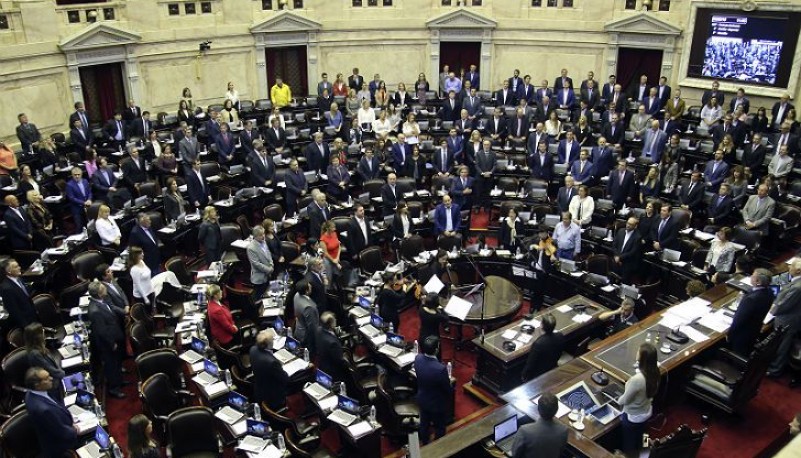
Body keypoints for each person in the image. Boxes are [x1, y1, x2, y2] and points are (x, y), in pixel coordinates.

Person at [24, 367, 78, 457]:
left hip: (59, 428)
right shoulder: (44, 410)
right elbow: (63, 433)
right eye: (46, 378)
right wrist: (75, 429)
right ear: (37, 385)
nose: (51, 378)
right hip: (61, 448)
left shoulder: (31, 393)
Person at [87, 280, 127, 398]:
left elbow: (111, 310)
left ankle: (119, 381)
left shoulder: (102, 301)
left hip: (114, 335)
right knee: (111, 365)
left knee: (117, 361)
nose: (105, 289)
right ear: (99, 293)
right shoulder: (95, 311)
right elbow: (102, 331)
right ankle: (114, 388)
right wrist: (111, 343)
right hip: (108, 343)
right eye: (103, 288)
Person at [618, 343, 659, 455]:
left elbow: (624, 400)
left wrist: (617, 399)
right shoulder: (655, 372)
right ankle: (645, 455)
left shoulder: (637, 380)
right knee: (643, 437)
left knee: (629, 444)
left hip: (632, 417)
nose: (636, 353)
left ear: (642, 358)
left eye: (638, 352)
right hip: (646, 412)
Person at [414, 336, 453, 445]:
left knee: (424, 424)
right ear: (437, 349)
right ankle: (438, 447)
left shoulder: (418, 359)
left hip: (422, 399)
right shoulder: (440, 369)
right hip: (436, 404)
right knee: (440, 427)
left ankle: (425, 443)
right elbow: (447, 388)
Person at [728, 269, 774, 357]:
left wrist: (730, 334)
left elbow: (739, 320)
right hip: (754, 330)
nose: (750, 277)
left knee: (739, 355)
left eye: (752, 276)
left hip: (741, 336)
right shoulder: (769, 292)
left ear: (758, 281)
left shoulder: (751, 299)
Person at [768, 259, 801, 377]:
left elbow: (783, 305)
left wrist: (771, 309)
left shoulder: (798, 287)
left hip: (788, 320)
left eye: (791, 266)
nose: (788, 268)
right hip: (791, 316)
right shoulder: (796, 281)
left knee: (782, 345)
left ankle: (774, 370)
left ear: (798, 271)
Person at [511, 391, 568, 458]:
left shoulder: (524, 431)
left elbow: (515, 454)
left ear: (538, 409)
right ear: (557, 410)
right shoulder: (563, 430)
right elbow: (560, 452)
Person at [25, 322, 65, 401]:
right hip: (51, 385)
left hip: (55, 379)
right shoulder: (35, 354)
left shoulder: (39, 348)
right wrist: (63, 373)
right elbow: (49, 369)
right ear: (37, 337)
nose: (44, 332)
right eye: (42, 331)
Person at [250, 329, 289, 411]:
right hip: (273, 396)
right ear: (269, 344)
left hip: (259, 389)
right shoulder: (272, 362)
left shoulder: (253, 349)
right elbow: (285, 379)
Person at [522, 314, 564, 381]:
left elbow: (530, 364)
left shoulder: (538, 344)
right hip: (553, 366)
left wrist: (524, 376)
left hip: (538, 374)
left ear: (541, 326)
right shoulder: (560, 335)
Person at [0, 258, 36, 329]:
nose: (19, 268)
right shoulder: (6, 288)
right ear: (9, 271)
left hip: (32, 315)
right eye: (16, 267)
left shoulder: (18, 278)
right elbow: (14, 311)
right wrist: (25, 326)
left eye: (18, 265)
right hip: (26, 323)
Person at [316, 312, 347, 382]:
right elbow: (339, 361)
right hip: (333, 373)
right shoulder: (333, 343)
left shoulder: (318, 330)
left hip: (322, 365)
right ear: (331, 324)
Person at [293, 279, 319, 355]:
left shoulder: (297, 295)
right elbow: (312, 328)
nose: (311, 286)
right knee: (308, 355)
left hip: (298, 328)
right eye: (309, 286)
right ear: (307, 291)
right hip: (305, 336)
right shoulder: (308, 307)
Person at [612, 217, 642, 284]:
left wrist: (620, 258)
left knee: (623, 284)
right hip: (616, 261)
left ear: (635, 226)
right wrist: (616, 256)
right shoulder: (620, 231)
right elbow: (614, 245)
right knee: (613, 281)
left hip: (627, 264)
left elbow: (632, 252)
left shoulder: (637, 237)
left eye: (631, 224)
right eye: (628, 223)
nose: (628, 225)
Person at [247, 226, 274, 300]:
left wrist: (271, 264)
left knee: (267, 294)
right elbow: (256, 264)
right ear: (255, 236)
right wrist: (269, 269)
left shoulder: (264, 242)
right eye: (260, 235)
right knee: (258, 297)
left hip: (268, 274)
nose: (263, 236)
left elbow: (268, 253)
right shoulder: (251, 248)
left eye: (263, 234)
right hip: (259, 277)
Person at [66, 167, 92, 232]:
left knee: (89, 224)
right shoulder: (69, 185)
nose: (77, 176)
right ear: (72, 175)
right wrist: (83, 202)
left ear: (81, 174)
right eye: (75, 175)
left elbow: (89, 192)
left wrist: (89, 199)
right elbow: (71, 198)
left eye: (78, 174)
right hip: (77, 209)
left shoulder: (85, 181)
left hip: (87, 206)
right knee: (79, 226)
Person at [319, 220, 342, 287]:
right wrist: (334, 261)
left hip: (336, 258)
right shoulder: (322, 239)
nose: (335, 229)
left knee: (338, 276)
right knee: (329, 279)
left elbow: (339, 246)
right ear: (327, 229)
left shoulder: (334, 233)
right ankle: (328, 293)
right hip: (328, 260)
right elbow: (325, 253)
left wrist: (337, 258)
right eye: (333, 228)